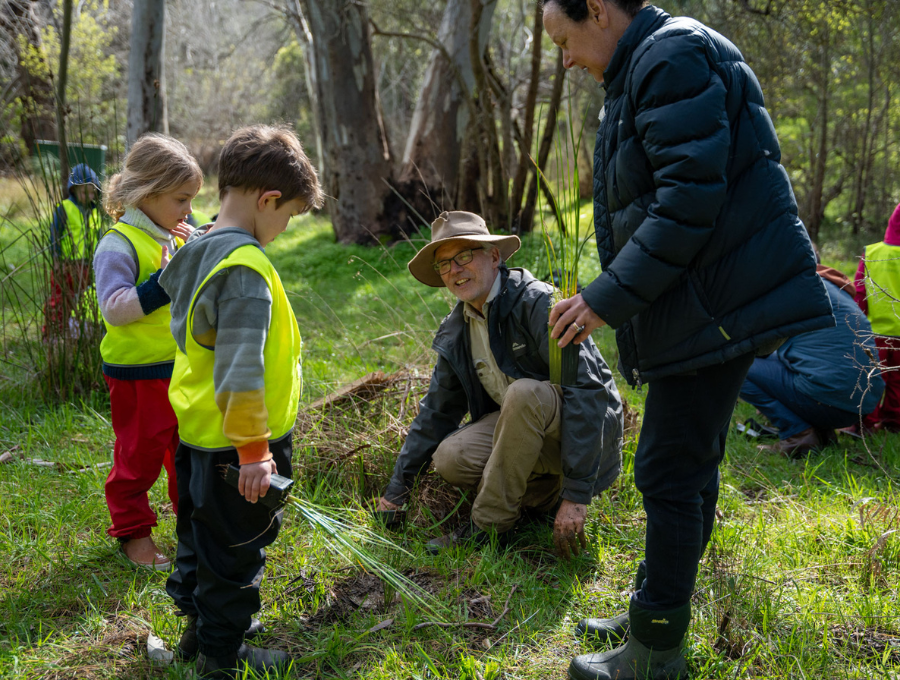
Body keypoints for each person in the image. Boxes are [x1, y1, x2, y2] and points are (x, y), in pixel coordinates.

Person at [541, 1, 835, 678]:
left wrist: (604, 298)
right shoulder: (649, 62)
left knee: (669, 469)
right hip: (702, 300)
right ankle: (658, 604)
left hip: (717, 303)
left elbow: (688, 202)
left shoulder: (669, 58)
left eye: (565, 41)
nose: (565, 59)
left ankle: (655, 651)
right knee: (687, 464)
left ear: (597, 12)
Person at [160, 124, 323, 679]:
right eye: (288, 215)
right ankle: (221, 661)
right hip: (239, 448)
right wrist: (255, 452)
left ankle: (196, 635)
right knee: (235, 556)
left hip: (200, 436)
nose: (281, 229)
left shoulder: (200, 247)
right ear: (267, 199)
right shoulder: (246, 271)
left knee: (200, 540)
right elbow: (239, 369)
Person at [375, 211, 624, 557]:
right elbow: (436, 412)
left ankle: (488, 528)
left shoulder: (539, 303)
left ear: (494, 256)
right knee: (450, 456)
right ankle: (541, 498)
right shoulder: (457, 329)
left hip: (581, 437)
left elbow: (589, 392)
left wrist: (578, 495)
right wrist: (397, 490)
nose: (455, 270)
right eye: (444, 264)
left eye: (464, 256)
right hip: (526, 438)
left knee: (524, 392)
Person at [94, 135, 201, 570]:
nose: (189, 211)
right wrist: (165, 280)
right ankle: (133, 534)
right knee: (137, 459)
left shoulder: (174, 234)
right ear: (147, 194)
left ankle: (193, 530)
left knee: (187, 456)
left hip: (179, 368)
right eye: (181, 199)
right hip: (137, 374)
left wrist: (200, 247)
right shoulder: (117, 244)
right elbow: (115, 308)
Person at [741, 265, 884, 456]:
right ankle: (821, 434)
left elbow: (759, 345)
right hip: (863, 403)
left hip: (833, 401)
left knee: (738, 368)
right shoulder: (826, 286)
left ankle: (797, 435)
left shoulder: (792, 288)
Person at [853, 202, 900, 432]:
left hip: (875, 334)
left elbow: (860, 293)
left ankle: (867, 424)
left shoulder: (872, 253)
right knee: (897, 383)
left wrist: (857, 324)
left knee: (872, 380)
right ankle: (894, 421)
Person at [45, 163, 103, 337]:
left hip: (87, 267)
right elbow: (54, 236)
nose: (90, 195)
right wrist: (57, 262)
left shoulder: (95, 212)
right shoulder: (64, 208)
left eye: (93, 192)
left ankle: (77, 334)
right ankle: (53, 334)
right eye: (85, 191)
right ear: (75, 189)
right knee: (60, 300)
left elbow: (99, 239)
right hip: (67, 266)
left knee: (85, 301)